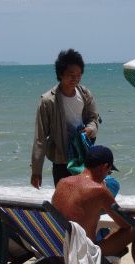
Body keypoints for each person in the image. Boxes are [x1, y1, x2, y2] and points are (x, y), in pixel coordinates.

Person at [52, 145, 135, 264]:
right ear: (104, 167)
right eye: (109, 170)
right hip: (81, 257)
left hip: (56, 253)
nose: (108, 174)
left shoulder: (62, 183)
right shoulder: (99, 190)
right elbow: (125, 224)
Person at [31, 49, 99, 189]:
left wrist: (90, 129)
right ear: (61, 74)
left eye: (79, 75)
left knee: (83, 199)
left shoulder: (85, 94)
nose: (75, 78)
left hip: (83, 156)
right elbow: (40, 138)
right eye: (71, 75)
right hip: (61, 159)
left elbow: (93, 118)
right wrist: (36, 171)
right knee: (64, 202)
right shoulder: (48, 101)